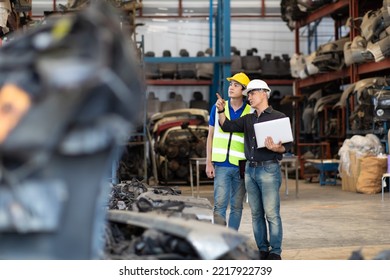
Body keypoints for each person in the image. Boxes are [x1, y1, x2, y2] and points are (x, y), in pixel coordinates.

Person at [215, 79, 292, 260]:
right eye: (247, 94)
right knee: (256, 214)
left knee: (272, 213)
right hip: (250, 170)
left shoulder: (278, 117)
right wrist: (220, 110)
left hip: (269, 170)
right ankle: (262, 249)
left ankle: (275, 252)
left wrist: (276, 148)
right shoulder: (248, 119)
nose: (248, 97)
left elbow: (287, 146)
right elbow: (227, 126)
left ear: (264, 93)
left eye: (252, 93)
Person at [206, 72, 251, 230]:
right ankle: (219, 241)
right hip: (222, 165)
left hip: (241, 167)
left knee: (237, 207)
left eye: (236, 85)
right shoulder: (217, 107)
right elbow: (210, 136)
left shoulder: (250, 112)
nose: (231, 87)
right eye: (231, 84)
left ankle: (231, 241)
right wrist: (209, 162)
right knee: (219, 206)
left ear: (244, 91)